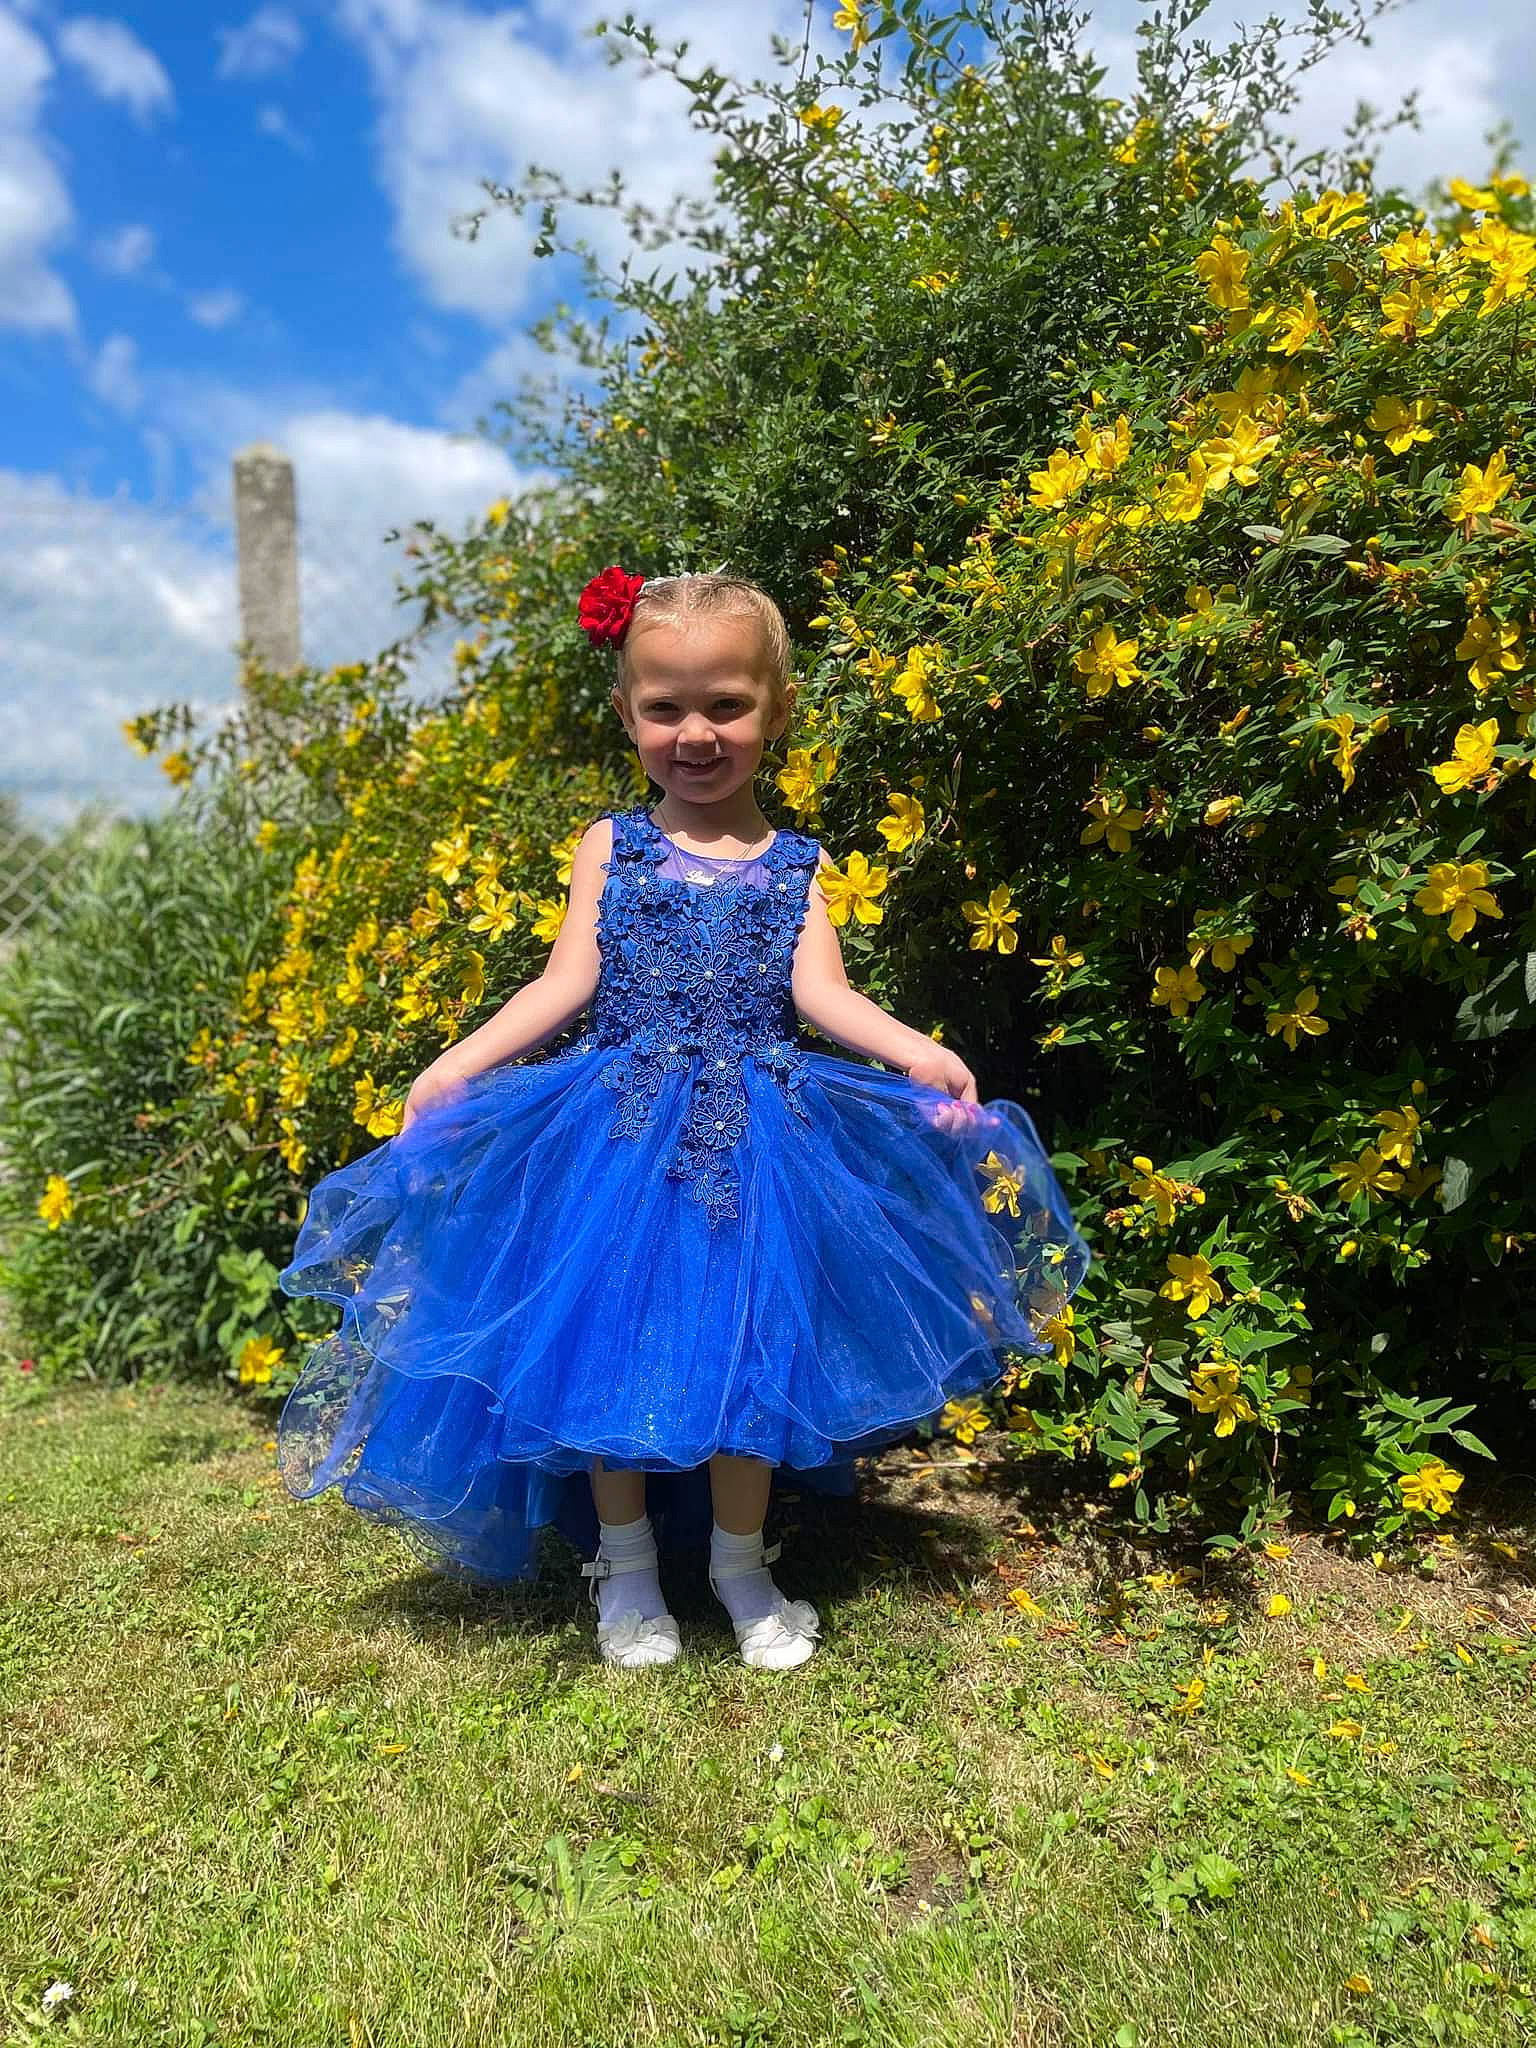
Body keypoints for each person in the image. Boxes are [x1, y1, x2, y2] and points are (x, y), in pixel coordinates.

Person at [275, 566, 1089, 1674]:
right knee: (608, 1347)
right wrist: (456, 1062)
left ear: (777, 710)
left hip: (761, 1148)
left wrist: (917, 1049)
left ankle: (740, 1561)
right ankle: (626, 1563)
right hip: (614, 1138)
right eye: (665, 707)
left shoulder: (800, 864)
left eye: (726, 705)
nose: (695, 732)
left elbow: (823, 997)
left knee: (760, 1352)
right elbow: (563, 984)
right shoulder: (610, 847)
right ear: (627, 714)